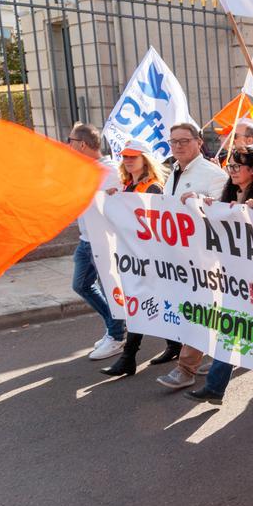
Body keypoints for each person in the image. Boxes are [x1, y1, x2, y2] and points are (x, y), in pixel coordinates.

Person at [182, 148, 253, 401]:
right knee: (230, 328)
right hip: (233, 279)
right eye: (230, 166)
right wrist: (199, 203)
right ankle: (215, 387)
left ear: (252, 170)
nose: (231, 171)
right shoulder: (227, 196)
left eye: (236, 166)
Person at [154, 122, 229, 384]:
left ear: (199, 142)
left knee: (197, 310)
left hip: (202, 259)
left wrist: (200, 203)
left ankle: (186, 369)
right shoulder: (173, 171)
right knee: (200, 311)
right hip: (177, 257)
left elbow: (222, 214)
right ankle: (222, 354)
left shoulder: (213, 174)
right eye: (173, 141)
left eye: (184, 141)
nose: (177, 146)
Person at [100, 138, 177, 377]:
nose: (129, 160)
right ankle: (173, 345)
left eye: (134, 156)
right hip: (134, 258)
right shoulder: (127, 186)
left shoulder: (153, 187)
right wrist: (115, 199)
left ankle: (128, 358)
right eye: (125, 156)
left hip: (148, 258)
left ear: (145, 160)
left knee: (139, 304)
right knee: (145, 302)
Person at [66, 123, 128, 361]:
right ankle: (114, 327)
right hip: (86, 240)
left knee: (108, 289)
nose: (68, 146)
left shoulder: (109, 170)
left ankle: (116, 335)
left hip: (102, 242)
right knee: (81, 285)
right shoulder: (87, 169)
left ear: (82, 144)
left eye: (70, 141)